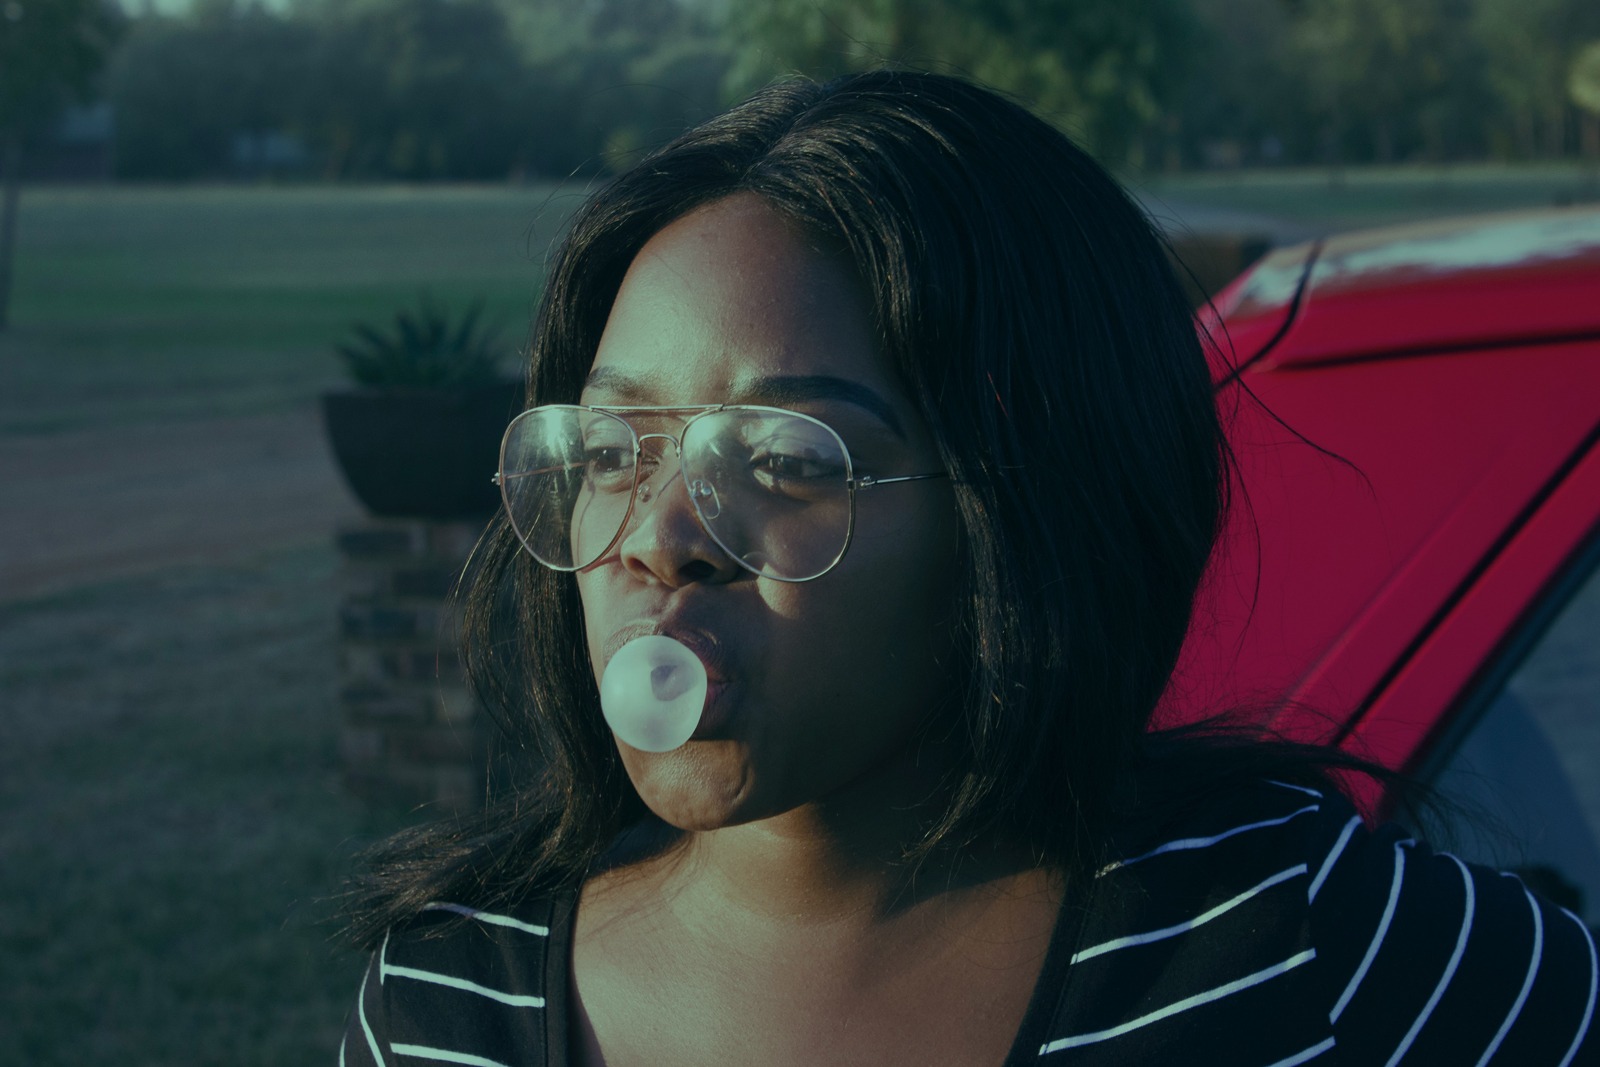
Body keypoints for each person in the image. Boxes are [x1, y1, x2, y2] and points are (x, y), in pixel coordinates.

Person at [339, 72, 1596, 1066]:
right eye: (613, 450)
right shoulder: (448, 1002)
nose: (663, 537)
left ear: (1017, 511)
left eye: (783, 458)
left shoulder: (1298, 940)